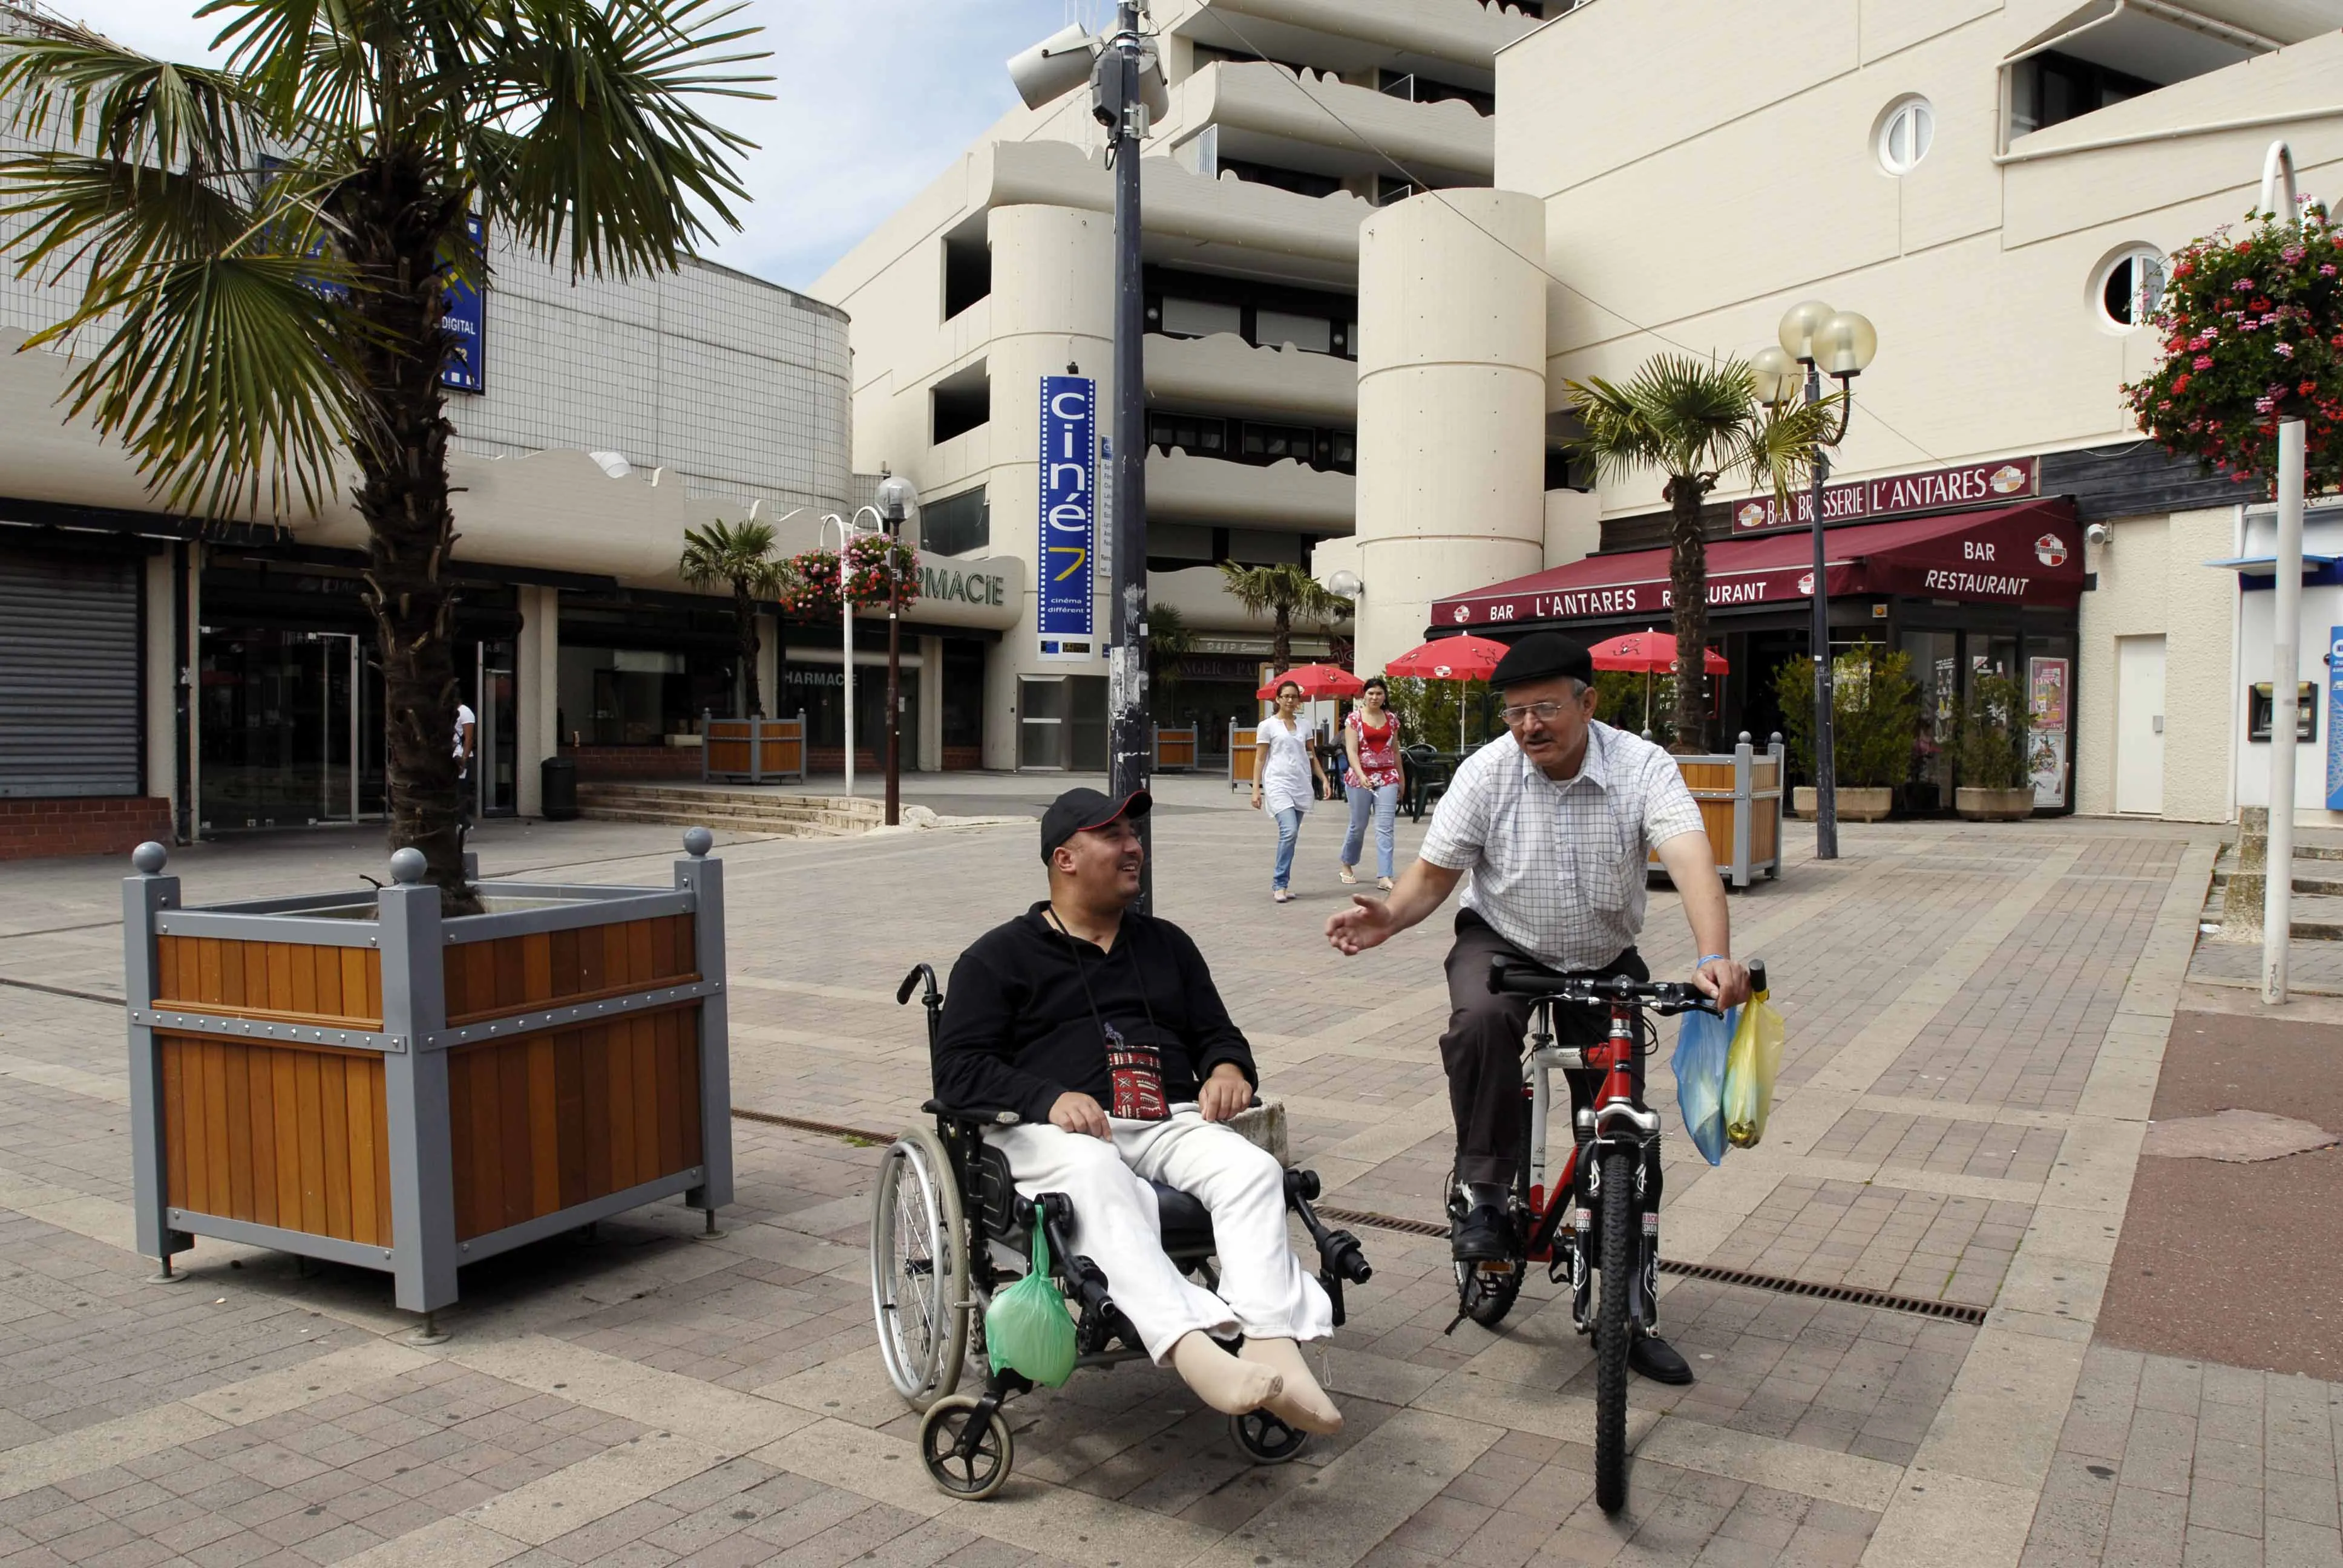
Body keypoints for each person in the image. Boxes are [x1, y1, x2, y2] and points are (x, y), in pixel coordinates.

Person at [1323, 632, 1751, 1386]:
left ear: (1588, 703)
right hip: (1503, 941)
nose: (1528, 727)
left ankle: (1627, 1313)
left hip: (1601, 955)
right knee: (1481, 1021)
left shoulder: (1640, 765)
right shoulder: (1487, 773)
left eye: (1546, 708)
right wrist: (1389, 916)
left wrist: (1713, 955)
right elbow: (1432, 877)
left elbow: (1689, 857)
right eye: (1515, 713)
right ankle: (1487, 1195)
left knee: (1624, 1129)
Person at [932, 787, 1344, 1434]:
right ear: (1065, 859)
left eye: (1134, 834)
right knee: (1096, 1173)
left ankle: (1270, 1346)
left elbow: (1218, 1034)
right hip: (1044, 1134)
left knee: (1253, 1171)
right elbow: (957, 1071)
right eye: (1114, 836)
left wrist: (1227, 1071)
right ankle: (1192, 1348)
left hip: (1164, 1117)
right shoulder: (996, 958)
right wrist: (1047, 1096)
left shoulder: (1166, 946)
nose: (1134, 847)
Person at [1251, 679, 1329, 903]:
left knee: (1292, 837)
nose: (1290, 700)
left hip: (1301, 784)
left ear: (1299, 700)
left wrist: (1323, 779)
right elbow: (1259, 759)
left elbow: (1312, 756)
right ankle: (1279, 883)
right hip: (1277, 783)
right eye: (1285, 696)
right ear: (1277, 699)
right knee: (1289, 831)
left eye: (1294, 697)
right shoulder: (1267, 726)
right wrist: (1256, 790)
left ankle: (1284, 883)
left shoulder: (1305, 725)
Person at [1337, 677, 1406, 892]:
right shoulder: (1354, 719)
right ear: (1364, 696)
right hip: (1360, 777)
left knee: (1385, 827)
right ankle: (1347, 863)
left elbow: (1395, 751)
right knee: (1359, 825)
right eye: (1371, 693)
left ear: (1385, 696)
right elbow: (1351, 751)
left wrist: (1401, 780)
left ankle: (1385, 875)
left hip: (1387, 775)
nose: (1375, 697)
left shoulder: (1392, 719)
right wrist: (1360, 774)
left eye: (1379, 693)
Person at [454, 699, 477, 829]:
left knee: (460, 793)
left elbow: (469, 739)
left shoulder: (465, 712)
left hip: (460, 757)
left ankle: (463, 823)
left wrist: (464, 758)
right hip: (450, 756)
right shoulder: (448, 712)